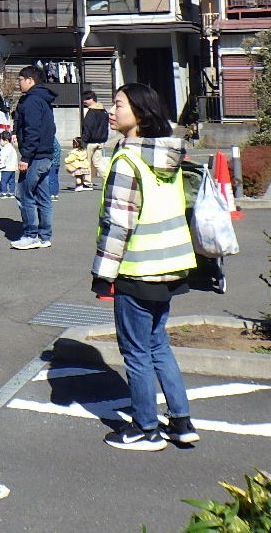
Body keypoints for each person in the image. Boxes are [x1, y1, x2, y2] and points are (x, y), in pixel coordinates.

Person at [92, 82, 200, 452]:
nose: (111, 109)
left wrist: (102, 273)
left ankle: (145, 427)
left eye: (119, 104)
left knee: (136, 351)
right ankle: (182, 421)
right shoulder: (169, 156)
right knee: (158, 346)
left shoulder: (128, 161)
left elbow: (119, 223)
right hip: (173, 266)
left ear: (139, 114)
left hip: (137, 269)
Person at [11, 66, 57, 250]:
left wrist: (26, 156)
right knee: (43, 197)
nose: (19, 83)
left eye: (21, 79)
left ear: (30, 80)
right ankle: (44, 235)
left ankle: (31, 235)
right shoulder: (44, 99)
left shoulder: (31, 101)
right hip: (45, 154)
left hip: (35, 156)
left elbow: (32, 130)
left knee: (24, 195)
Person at [81, 89, 110, 189]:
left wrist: (83, 140)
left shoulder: (91, 112)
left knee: (87, 162)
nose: (84, 102)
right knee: (98, 163)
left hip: (90, 141)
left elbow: (88, 127)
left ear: (92, 99)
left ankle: (87, 182)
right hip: (101, 141)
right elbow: (106, 127)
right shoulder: (104, 111)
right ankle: (108, 178)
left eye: (86, 99)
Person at [0, 131, 18, 197]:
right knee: (11, 181)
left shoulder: (5, 149)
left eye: (1, 140)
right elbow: (15, 157)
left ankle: (3, 192)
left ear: (6, 140)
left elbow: (3, 158)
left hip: (6, 168)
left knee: (4, 181)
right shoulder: (12, 148)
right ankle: (12, 192)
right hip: (12, 168)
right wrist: (16, 166)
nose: (0, 142)